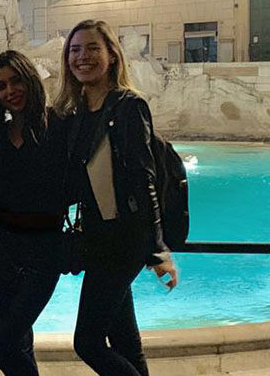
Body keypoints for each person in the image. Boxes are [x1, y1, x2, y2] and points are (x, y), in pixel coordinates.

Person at [55, 20, 179, 376]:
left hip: (124, 241)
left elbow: (145, 180)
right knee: (124, 341)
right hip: (97, 240)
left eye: (93, 48)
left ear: (112, 54)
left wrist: (158, 251)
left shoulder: (127, 106)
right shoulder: (78, 114)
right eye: (75, 50)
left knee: (87, 342)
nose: (83, 57)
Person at [0, 51, 67, 375]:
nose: (9, 91)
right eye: (1, 86)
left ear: (30, 80)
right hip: (0, 253)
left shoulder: (57, 126)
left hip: (42, 252)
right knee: (18, 344)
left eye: (15, 81)